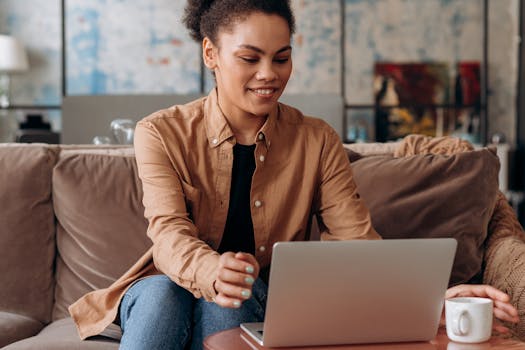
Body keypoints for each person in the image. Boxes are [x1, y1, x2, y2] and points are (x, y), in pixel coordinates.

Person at [68, 1, 519, 349]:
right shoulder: (160, 132)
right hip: (162, 289)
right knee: (165, 295)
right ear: (211, 53)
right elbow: (167, 234)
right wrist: (212, 268)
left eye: (281, 58)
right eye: (250, 58)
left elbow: (359, 247)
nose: (269, 74)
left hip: (257, 297)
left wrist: (432, 300)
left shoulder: (317, 140)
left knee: (238, 297)